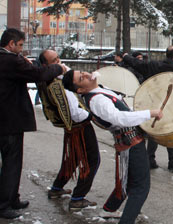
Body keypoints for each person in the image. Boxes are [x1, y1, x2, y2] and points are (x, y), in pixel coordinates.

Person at [62, 69, 163, 224]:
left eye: (83, 71)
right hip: (131, 143)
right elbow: (118, 118)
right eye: (82, 78)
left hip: (128, 142)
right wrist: (149, 113)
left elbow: (75, 77)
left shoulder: (95, 90)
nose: (87, 74)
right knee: (140, 188)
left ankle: (109, 209)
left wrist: (64, 69)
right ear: (81, 89)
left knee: (128, 183)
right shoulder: (96, 100)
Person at [0, 28, 65, 219]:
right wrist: (59, 68)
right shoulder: (11, 60)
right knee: (12, 163)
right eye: (20, 45)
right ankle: (4, 204)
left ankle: (12, 197)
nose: (21, 49)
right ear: (11, 44)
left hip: (4, 120)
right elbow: (38, 74)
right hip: (10, 121)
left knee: (9, 163)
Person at [37, 50, 100, 211]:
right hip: (79, 127)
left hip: (73, 127)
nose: (59, 62)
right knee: (91, 161)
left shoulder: (51, 79)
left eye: (58, 58)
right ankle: (78, 198)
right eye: (54, 61)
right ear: (46, 65)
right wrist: (90, 116)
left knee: (72, 159)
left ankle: (57, 188)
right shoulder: (57, 84)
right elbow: (73, 111)